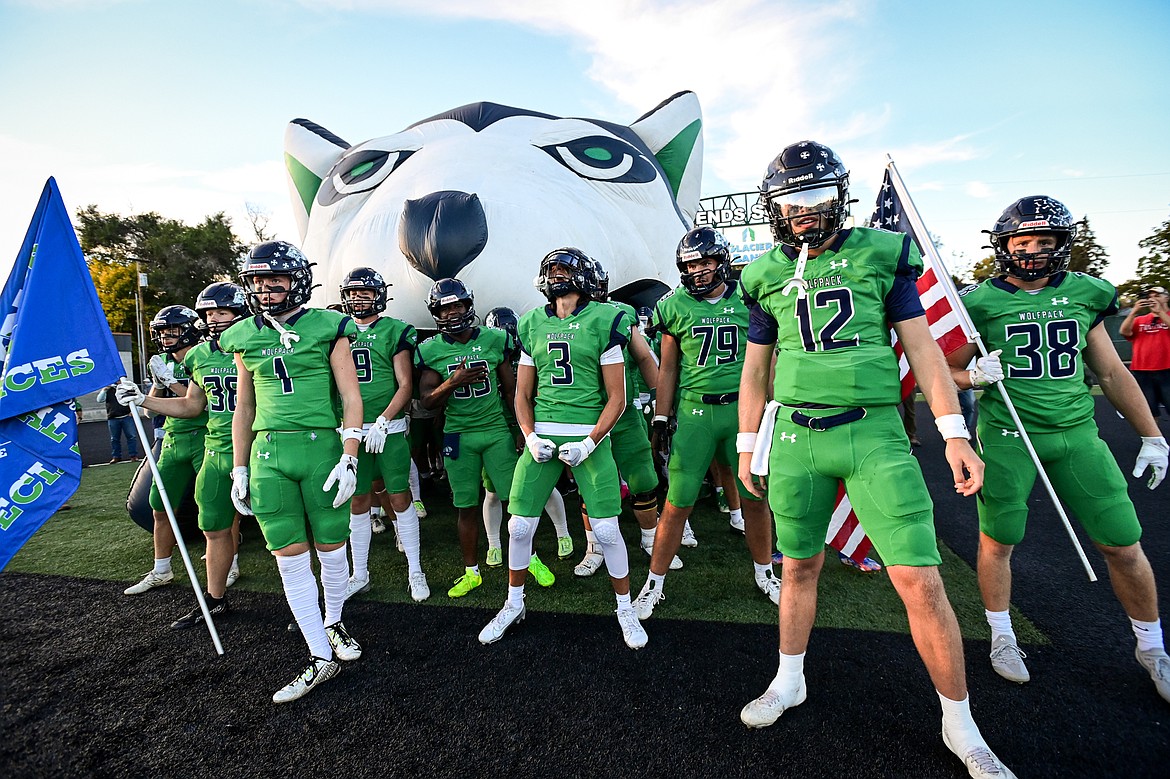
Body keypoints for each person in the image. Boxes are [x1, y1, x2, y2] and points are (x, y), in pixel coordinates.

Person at [736, 141, 1013, 779]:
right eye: (789, 201)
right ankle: (789, 679)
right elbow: (756, 372)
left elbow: (922, 350)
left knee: (919, 579)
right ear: (772, 208)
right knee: (798, 565)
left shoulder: (879, 254)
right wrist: (751, 443)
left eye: (814, 197)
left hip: (874, 432)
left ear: (840, 196)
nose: (803, 212)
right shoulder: (764, 274)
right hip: (798, 437)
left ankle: (959, 721)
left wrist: (952, 432)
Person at [946, 195, 1170, 701]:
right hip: (1009, 437)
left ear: (1061, 245)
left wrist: (1152, 435)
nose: (1031, 251)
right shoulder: (979, 301)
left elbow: (1111, 372)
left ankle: (1152, 646)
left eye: (1043, 241)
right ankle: (1002, 634)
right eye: (1021, 241)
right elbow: (944, 369)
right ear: (1002, 246)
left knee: (1122, 541)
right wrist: (974, 375)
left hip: (1076, 435)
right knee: (999, 539)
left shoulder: (1086, 294)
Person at [478, 247, 646, 650]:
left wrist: (590, 442)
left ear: (583, 276)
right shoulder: (532, 323)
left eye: (564, 268)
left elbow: (617, 398)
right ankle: (514, 602)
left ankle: (624, 607)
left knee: (606, 531)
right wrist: (531, 435)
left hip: (590, 434)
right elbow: (521, 394)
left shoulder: (606, 318)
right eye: (550, 268)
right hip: (544, 435)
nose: (556, 275)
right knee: (518, 525)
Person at [219, 240, 364, 704]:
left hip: (322, 448)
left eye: (274, 278)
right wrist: (239, 466)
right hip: (268, 454)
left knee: (332, 548)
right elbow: (244, 407)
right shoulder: (241, 335)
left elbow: (352, 397)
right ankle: (318, 656)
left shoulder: (329, 326)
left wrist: (350, 454)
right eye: (258, 279)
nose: (265, 288)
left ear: (297, 278)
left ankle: (334, 619)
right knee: (289, 556)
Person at [633, 226, 780, 621]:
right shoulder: (675, 305)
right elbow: (669, 369)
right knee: (678, 502)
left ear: (721, 261)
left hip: (742, 411)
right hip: (696, 412)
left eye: (704, 261)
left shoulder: (751, 297)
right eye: (690, 264)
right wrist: (662, 416)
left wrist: (771, 406)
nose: (697, 270)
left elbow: (768, 360)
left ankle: (765, 573)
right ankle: (654, 583)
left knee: (754, 499)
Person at [117, 282, 249, 628]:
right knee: (213, 527)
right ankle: (214, 601)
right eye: (208, 313)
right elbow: (192, 405)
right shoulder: (199, 356)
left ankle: (308, 605)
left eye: (221, 312)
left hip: (260, 447)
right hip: (216, 448)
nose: (214, 319)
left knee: (286, 532)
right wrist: (142, 398)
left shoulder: (259, 345)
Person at [417, 279, 527, 597]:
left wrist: (521, 428)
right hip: (459, 435)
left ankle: (527, 560)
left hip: (495, 431)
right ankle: (471, 571)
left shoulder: (495, 339)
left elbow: (510, 390)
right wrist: (453, 382)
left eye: (457, 305)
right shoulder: (430, 349)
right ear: (436, 313)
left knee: (515, 503)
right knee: (466, 505)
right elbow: (427, 401)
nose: (452, 313)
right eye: (444, 308)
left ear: (468, 305)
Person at [577, 259, 678, 577]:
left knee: (643, 479)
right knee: (589, 485)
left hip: (623, 413)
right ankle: (594, 546)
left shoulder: (618, 316)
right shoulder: (557, 320)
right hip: (585, 415)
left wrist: (663, 406)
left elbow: (646, 360)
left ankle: (651, 539)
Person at [337, 267, 429, 603]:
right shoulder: (337, 330)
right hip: (351, 431)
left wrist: (383, 420)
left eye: (365, 291)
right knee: (358, 500)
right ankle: (359, 573)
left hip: (387, 430)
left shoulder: (395, 330)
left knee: (399, 496)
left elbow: (406, 385)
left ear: (380, 295)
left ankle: (415, 570)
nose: (359, 298)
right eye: (353, 292)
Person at [478, 305, 571, 581]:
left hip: (534, 424)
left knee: (544, 483)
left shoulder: (531, 352)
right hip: (499, 426)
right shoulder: (490, 355)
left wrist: (528, 430)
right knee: (493, 491)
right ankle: (494, 544)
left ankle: (563, 533)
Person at [123, 305, 208, 596]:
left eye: (172, 329)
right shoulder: (160, 361)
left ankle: (230, 561)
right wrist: (152, 389)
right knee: (160, 507)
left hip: (207, 436)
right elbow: (150, 412)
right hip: (174, 438)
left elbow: (195, 402)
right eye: (161, 331)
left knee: (216, 506)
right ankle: (161, 569)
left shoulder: (206, 355)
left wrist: (169, 381)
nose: (166, 336)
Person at [1119, 285, 1170, 420]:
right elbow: (1124, 332)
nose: (1153, 298)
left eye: (1157, 295)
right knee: (1149, 410)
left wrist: (1160, 313)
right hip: (1143, 371)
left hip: (1167, 370)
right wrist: (1134, 312)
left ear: (1166, 298)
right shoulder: (1140, 319)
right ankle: (1155, 440)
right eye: (1150, 296)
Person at [96, 384, 139, 463]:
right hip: (113, 418)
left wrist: (135, 411)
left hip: (126, 417)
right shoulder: (108, 390)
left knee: (131, 437)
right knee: (114, 439)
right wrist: (104, 390)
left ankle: (133, 456)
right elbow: (99, 400)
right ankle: (116, 456)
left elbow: (135, 398)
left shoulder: (126, 389)